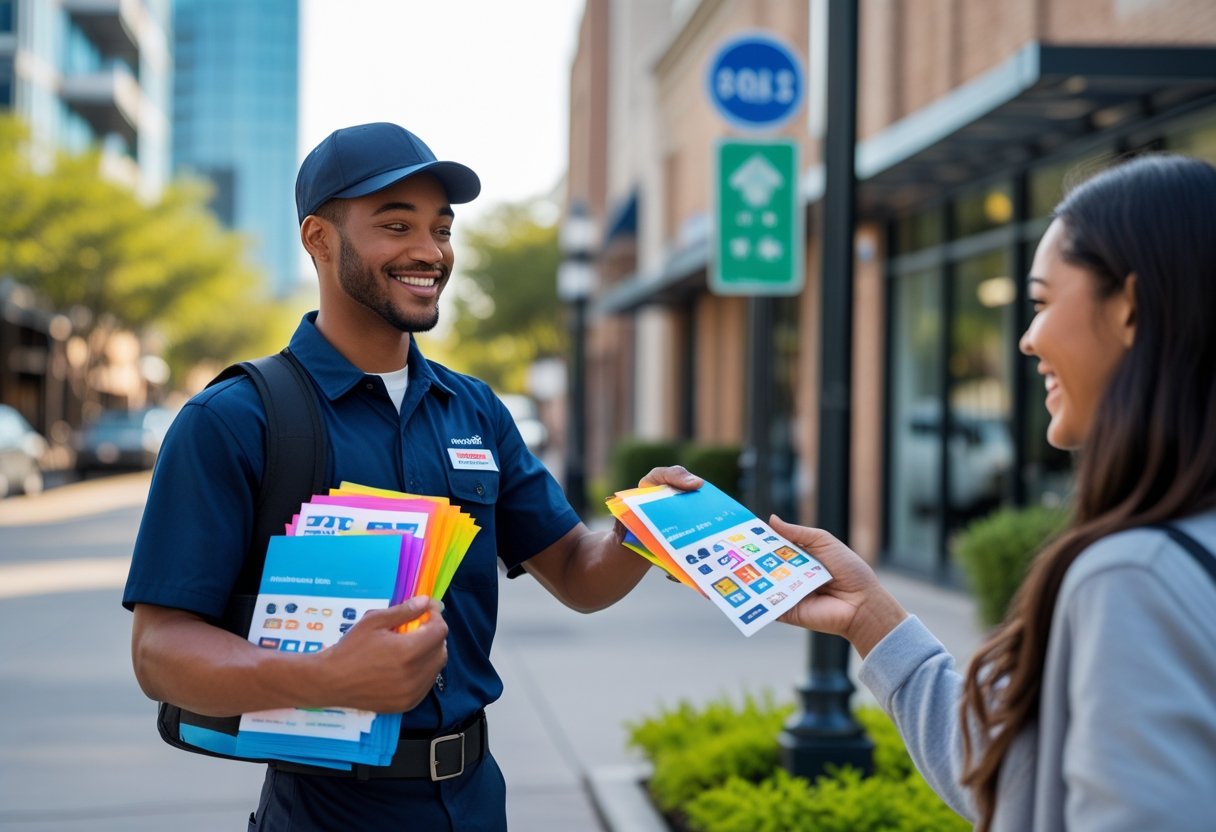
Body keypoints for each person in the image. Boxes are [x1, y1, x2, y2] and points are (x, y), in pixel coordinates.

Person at [122, 121, 702, 831]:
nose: (429, 252)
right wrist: (321, 679)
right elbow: (160, 651)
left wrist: (643, 529)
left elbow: (578, 572)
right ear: (319, 240)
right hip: (327, 810)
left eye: (442, 228)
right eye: (396, 226)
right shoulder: (232, 420)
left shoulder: (476, 410)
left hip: (477, 801)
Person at [773, 153, 1216, 832]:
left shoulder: (1133, 577)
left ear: (1129, 308)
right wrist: (871, 618)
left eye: (1041, 302)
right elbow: (1024, 783)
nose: (1028, 339)